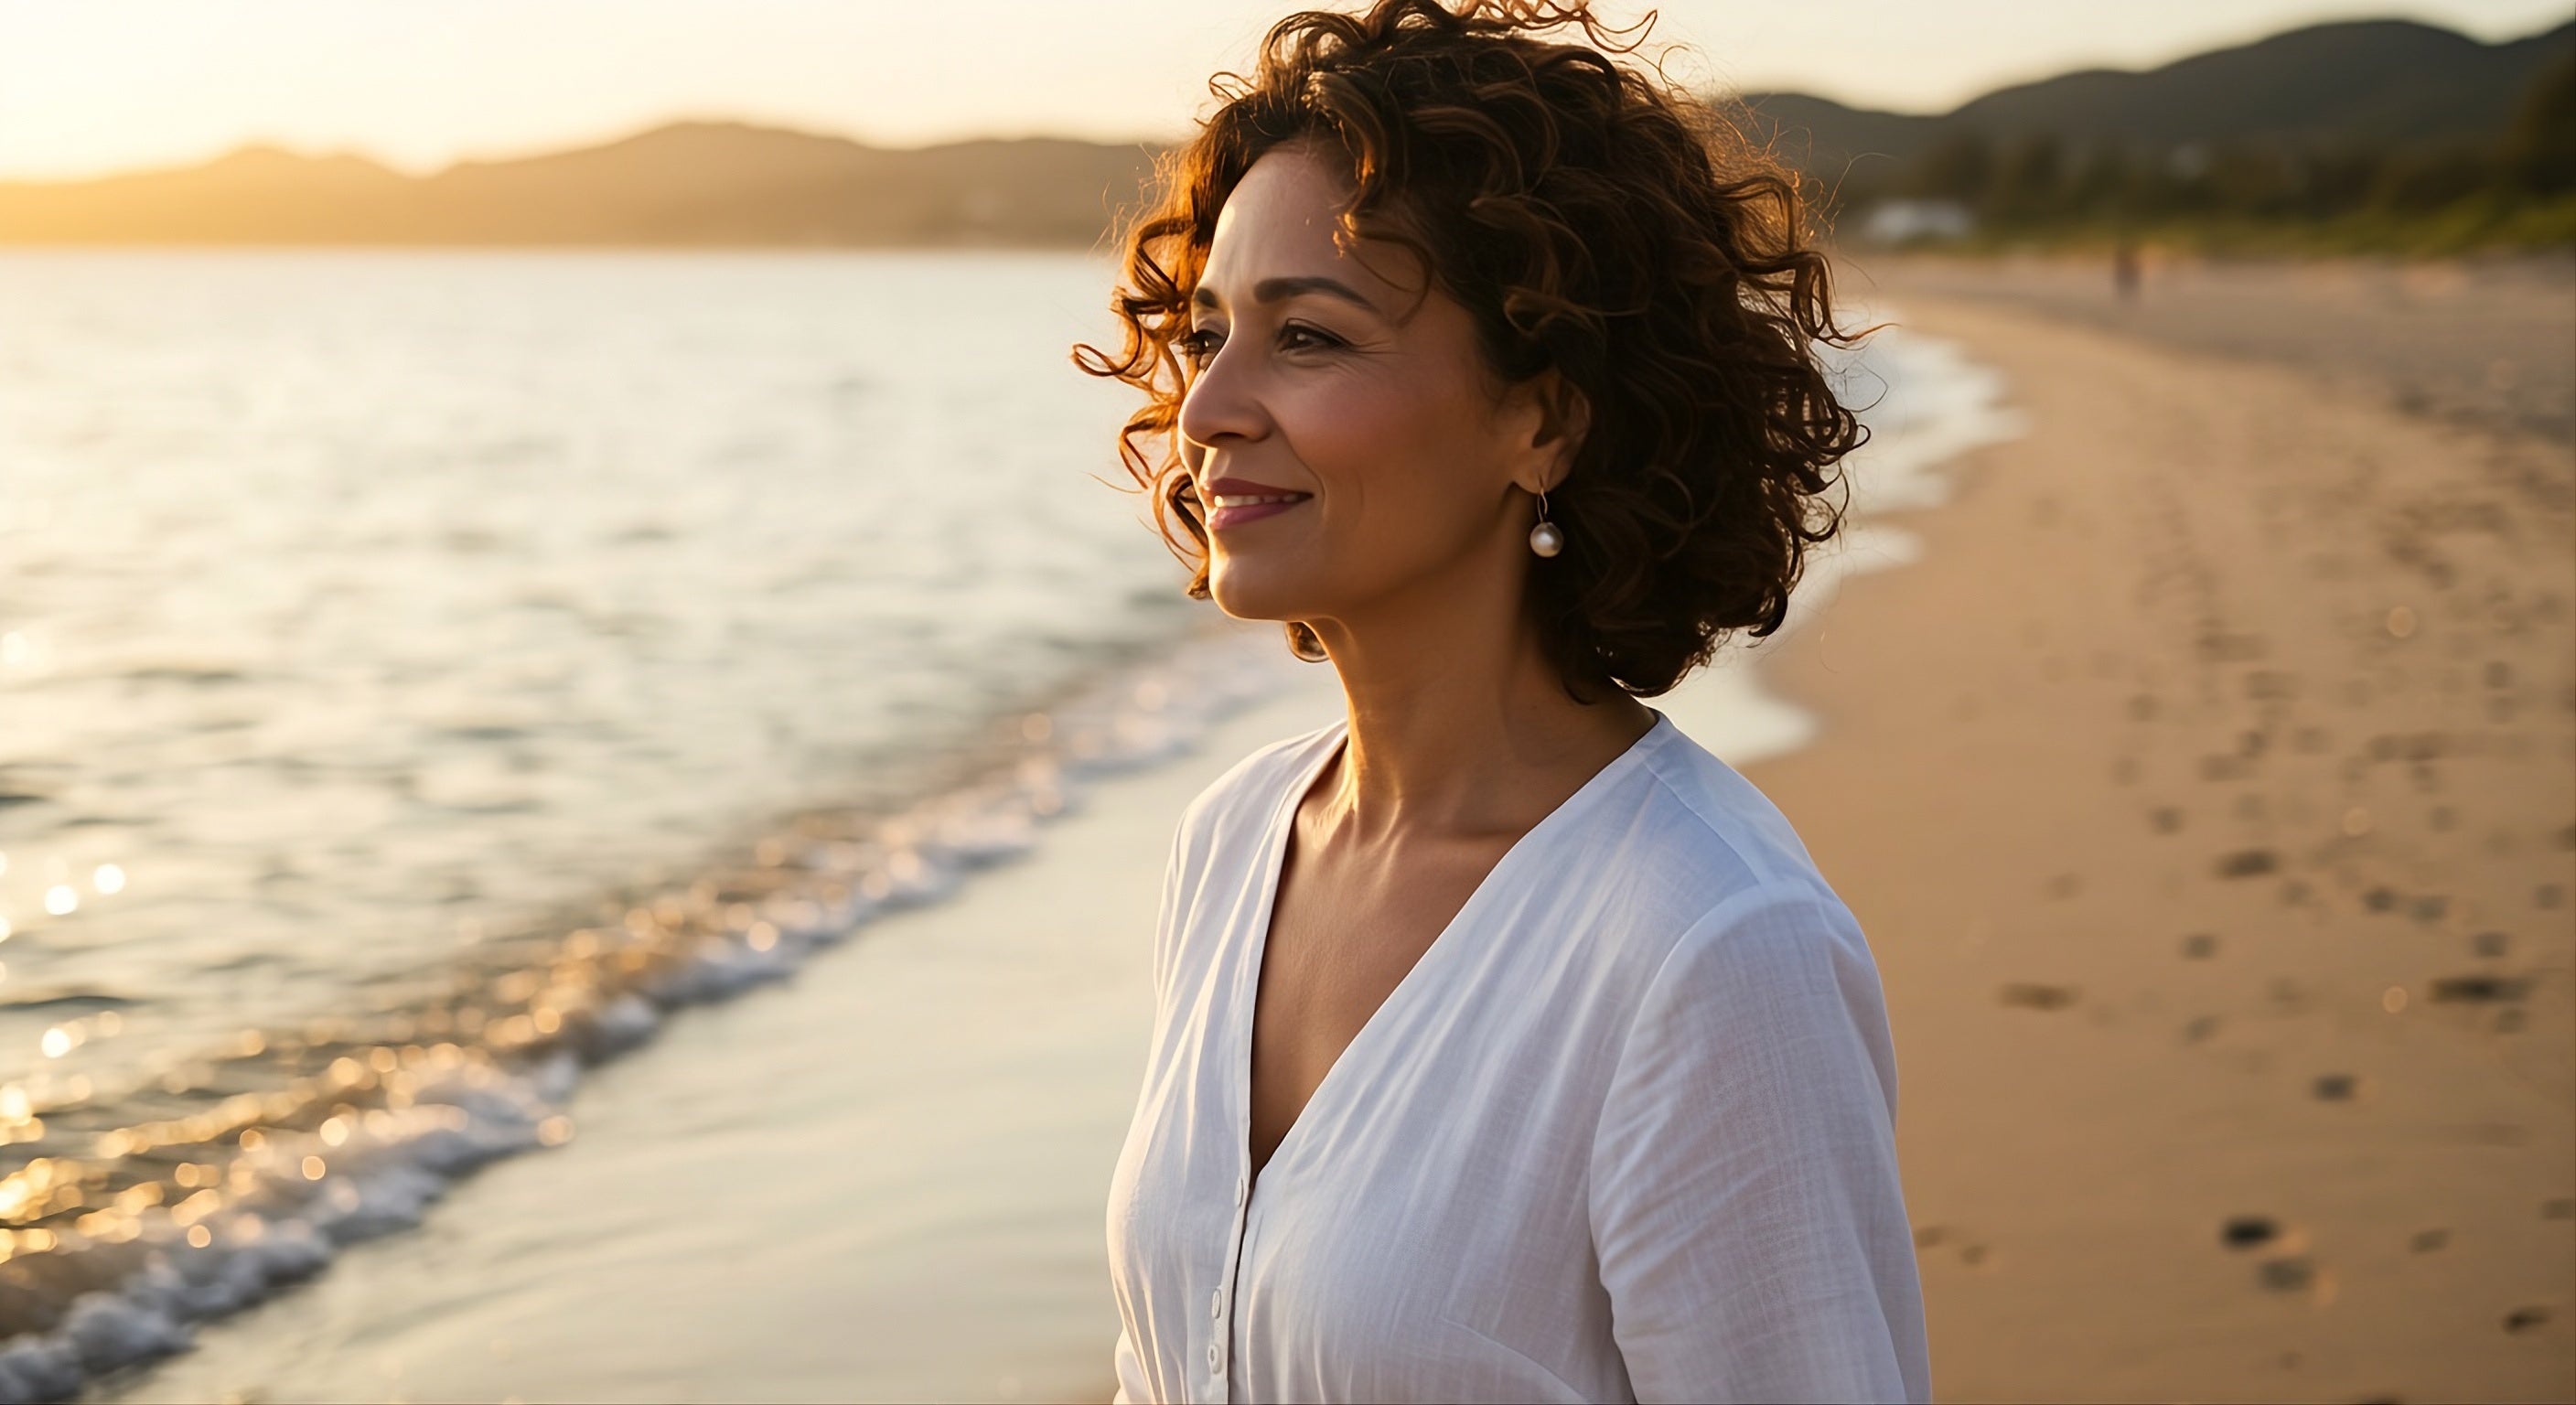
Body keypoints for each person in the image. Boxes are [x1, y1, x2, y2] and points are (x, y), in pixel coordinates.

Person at [1070, 2, 1929, 1400]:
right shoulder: (1234, 844)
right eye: (1214, 328)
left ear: (1542, 418)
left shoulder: (1712, 952)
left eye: (1311, 340)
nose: (1208, 405)